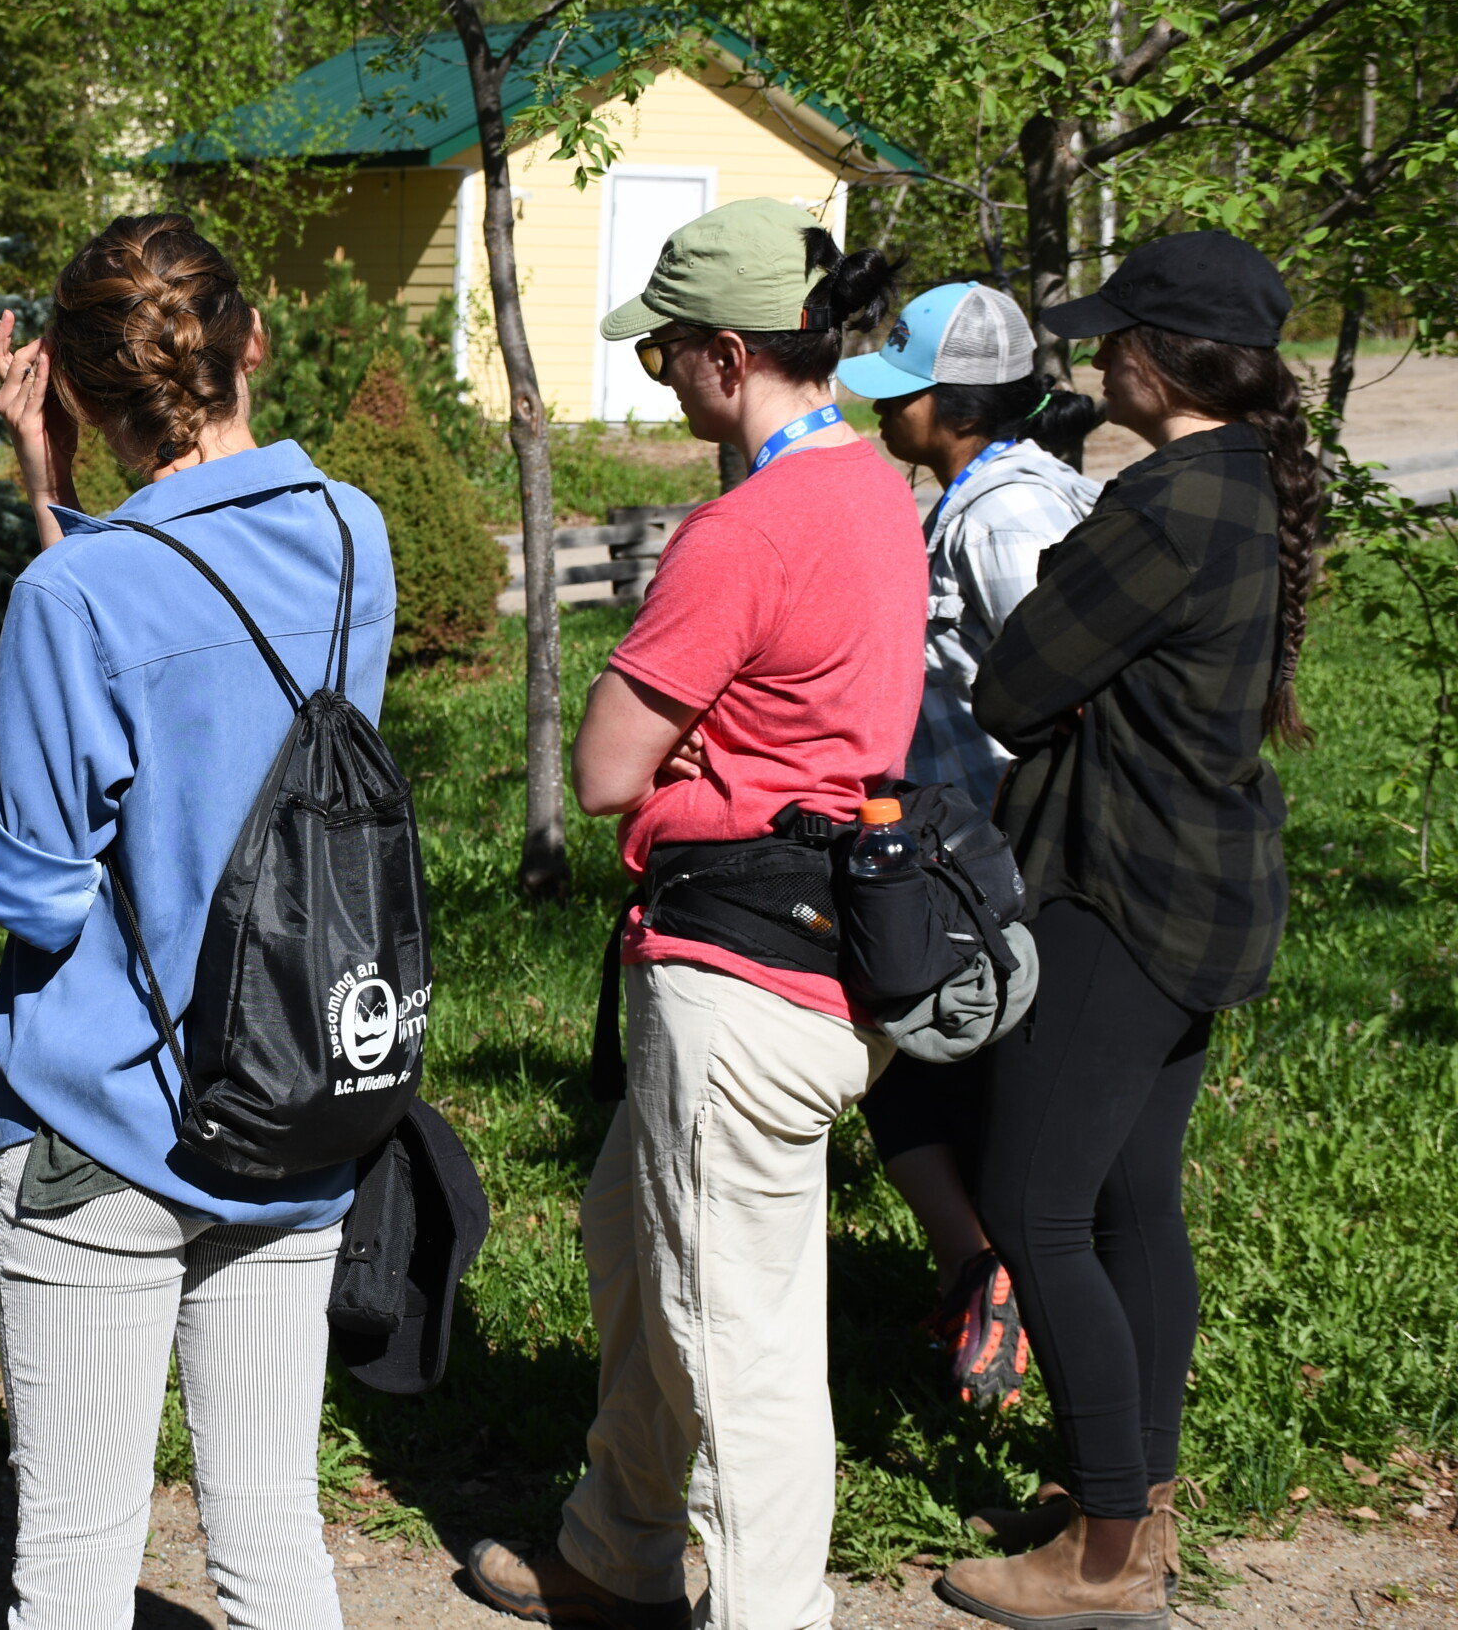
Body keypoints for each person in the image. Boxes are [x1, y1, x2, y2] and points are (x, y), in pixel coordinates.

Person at [465, 197, 919, 1630]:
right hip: (834, 946)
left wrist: (674, 713)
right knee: (629, 1234)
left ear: (730, 354)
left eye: (663, 357)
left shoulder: (749, 526)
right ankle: (620, 1546)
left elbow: (604, 768)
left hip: (735, 979)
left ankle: (768, 1609)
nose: (659, 380)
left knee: (740, 1343)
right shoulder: (876, 493)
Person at [0, 213, 395, 1630]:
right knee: (274, 1532)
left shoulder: (69, 594)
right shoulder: (354, 536)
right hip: (292, 1096)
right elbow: (221, 700)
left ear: (76, 395)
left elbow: (41, 886)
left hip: (104, 1120)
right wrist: (61, 497)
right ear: (254, 340)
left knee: (75, 1563)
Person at [933, 231, 1314, 1630]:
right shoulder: (1243, 484)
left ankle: (1101, 1554)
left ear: (1159, 356)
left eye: (1112, 339)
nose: (1095, 359)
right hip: (1205, 882)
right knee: (1131, 1195)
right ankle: (1134, 1503)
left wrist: (1073, 688)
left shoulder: (1158, 506)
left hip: (1116, 885)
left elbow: (1016, 684)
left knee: (1036, 1201)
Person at [834, 281, 1105, 1409]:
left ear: (953, 406)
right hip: (965, 848)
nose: (885, 414)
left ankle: (990, 1274)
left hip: (992, 856)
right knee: (911, 1059)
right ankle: (977, 1267)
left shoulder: (1002, 517)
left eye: (902, 396)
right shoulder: (979, 493)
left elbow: (1065, 676)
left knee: (926, 1056)